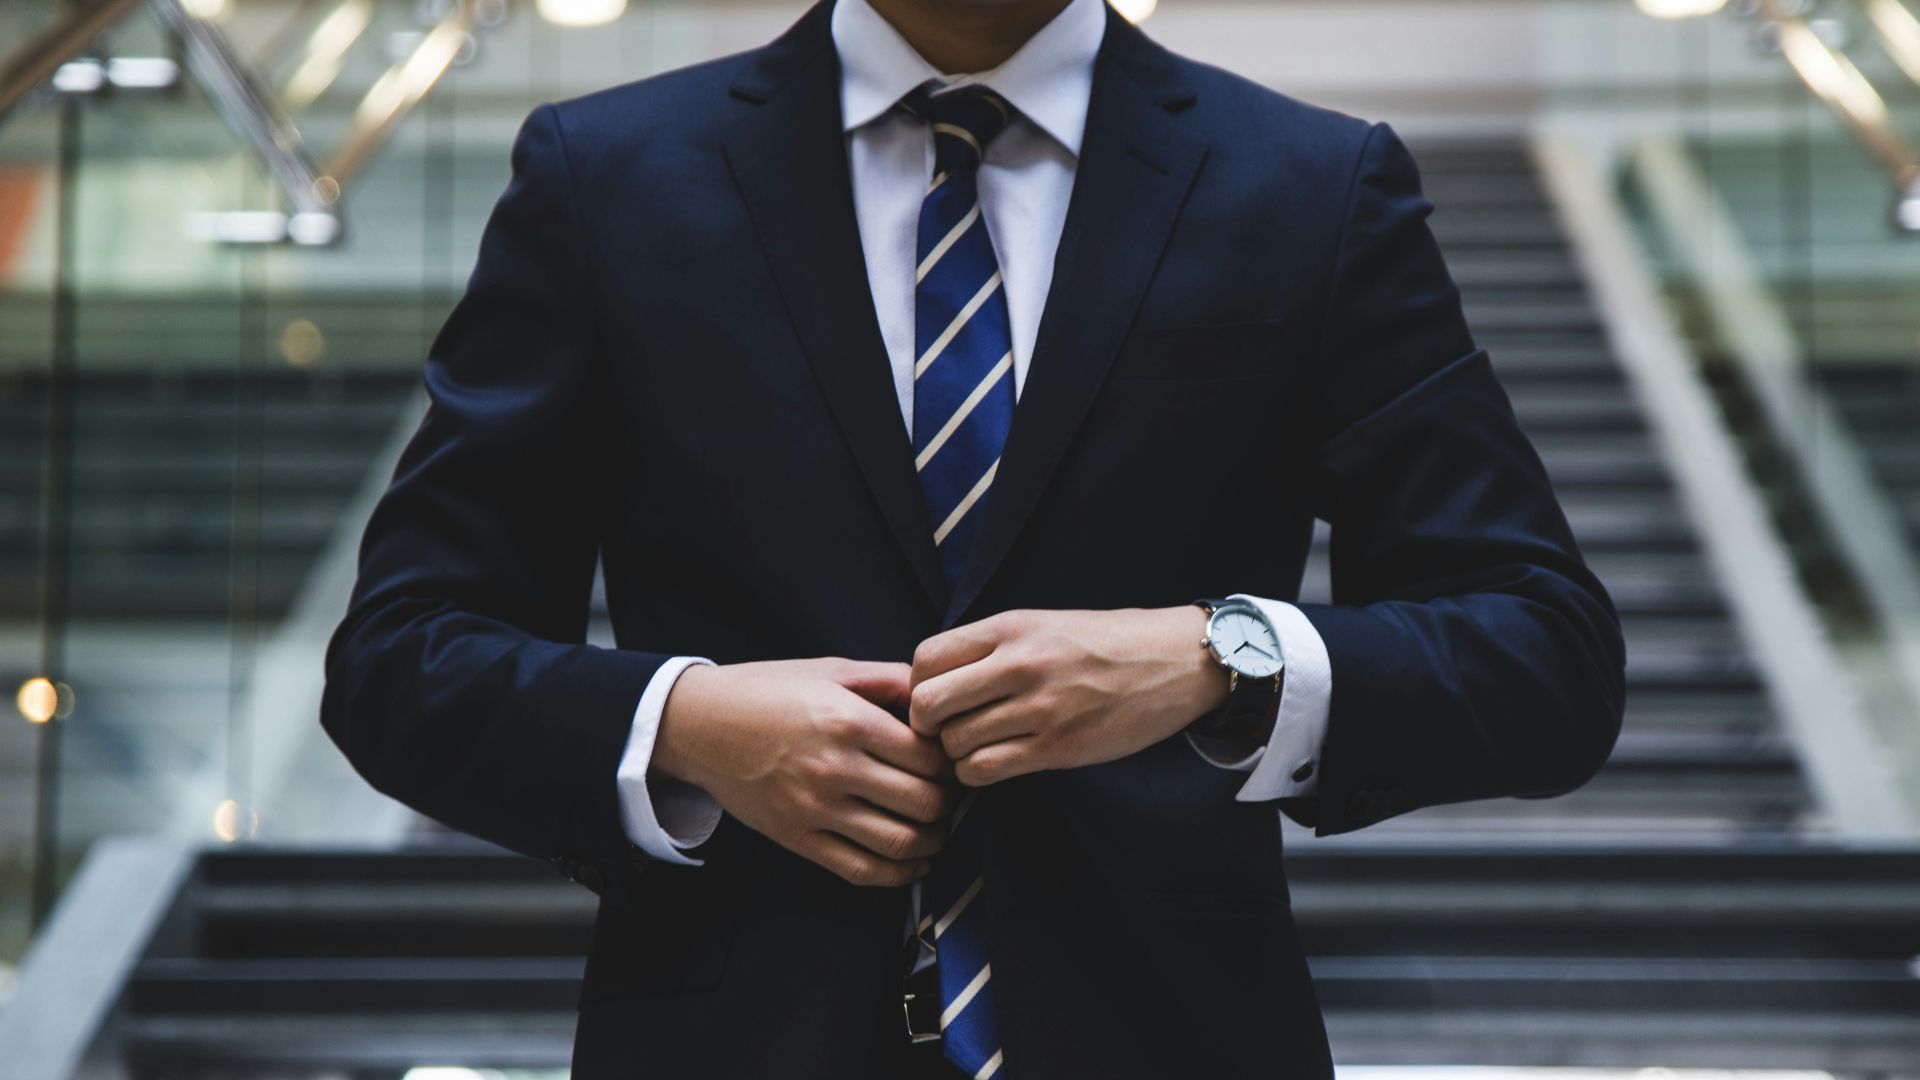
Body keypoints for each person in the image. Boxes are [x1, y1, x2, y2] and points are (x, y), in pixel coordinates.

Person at [320, 0, 1626, 1075]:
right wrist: (689, 727)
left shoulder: (1308, 187)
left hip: (1172, 1037)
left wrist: (1222, 658)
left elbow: (1546, 654)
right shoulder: (606, 178)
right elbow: (399, 659)